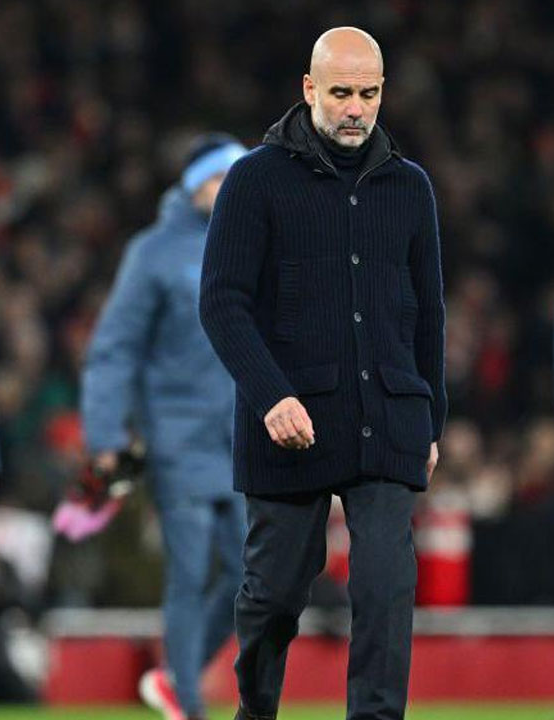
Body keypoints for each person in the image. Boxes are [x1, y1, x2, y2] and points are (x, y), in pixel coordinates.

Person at [199, 26, 447, 720]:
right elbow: (221, 302)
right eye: (340, 93)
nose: (355, 109)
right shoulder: (255, 179)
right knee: (275, 595)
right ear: (309, 89)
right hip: (290, 422)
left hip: (388, 415)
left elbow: (429, 311)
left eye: (368, 94)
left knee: (386, 588)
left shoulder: (410, 187)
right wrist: (270, 395)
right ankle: (256, 711)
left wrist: (432, 419)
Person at [81, 133, 250, 720]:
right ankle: (189, 705)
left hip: (240, 438)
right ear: (194, 184)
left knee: (255, 572)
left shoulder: (252, 244)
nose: (229, 189)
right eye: (220, 178)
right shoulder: (153, 253)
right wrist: (105, 434)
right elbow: (115, 349)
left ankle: (178, 678)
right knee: (189, 570)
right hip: (177, 436)